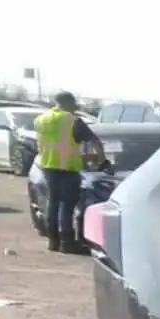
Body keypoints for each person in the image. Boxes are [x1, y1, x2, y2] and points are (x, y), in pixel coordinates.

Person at [34, 92, 102, 253]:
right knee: (67, 205)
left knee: (53, 204)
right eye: (74, 106)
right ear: (69, 104)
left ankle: (53, 241)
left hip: (48, 167)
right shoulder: (73, 121)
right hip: (69, 169)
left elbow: (46, 144)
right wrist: (100, 159)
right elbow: (95, 142)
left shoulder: (41, 120)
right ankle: (67, 242)